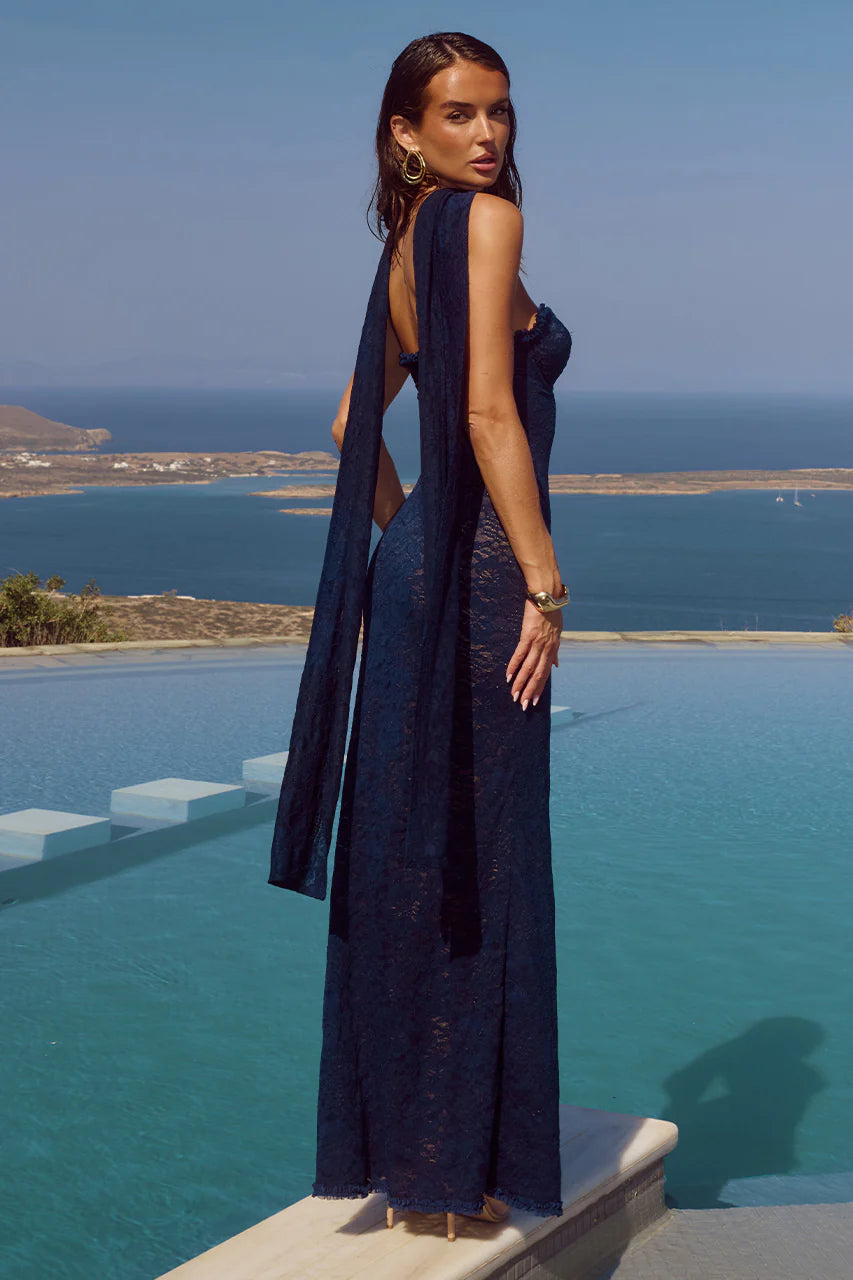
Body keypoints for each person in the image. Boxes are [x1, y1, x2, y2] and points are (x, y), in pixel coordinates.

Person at [269, 31, 572, 1242]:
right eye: (457, 114)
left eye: (498, 111)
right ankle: (458, 1171)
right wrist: (542, 580)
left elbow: (354, 423)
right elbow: (491, 411)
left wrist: (410, 542)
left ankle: (420, 1161)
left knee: (415, 859)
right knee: (482, 863)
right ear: (405, 130)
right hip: (488, 581)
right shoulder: (485, 224)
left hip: (419, 576)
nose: (486, 134)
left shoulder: (403, 246)